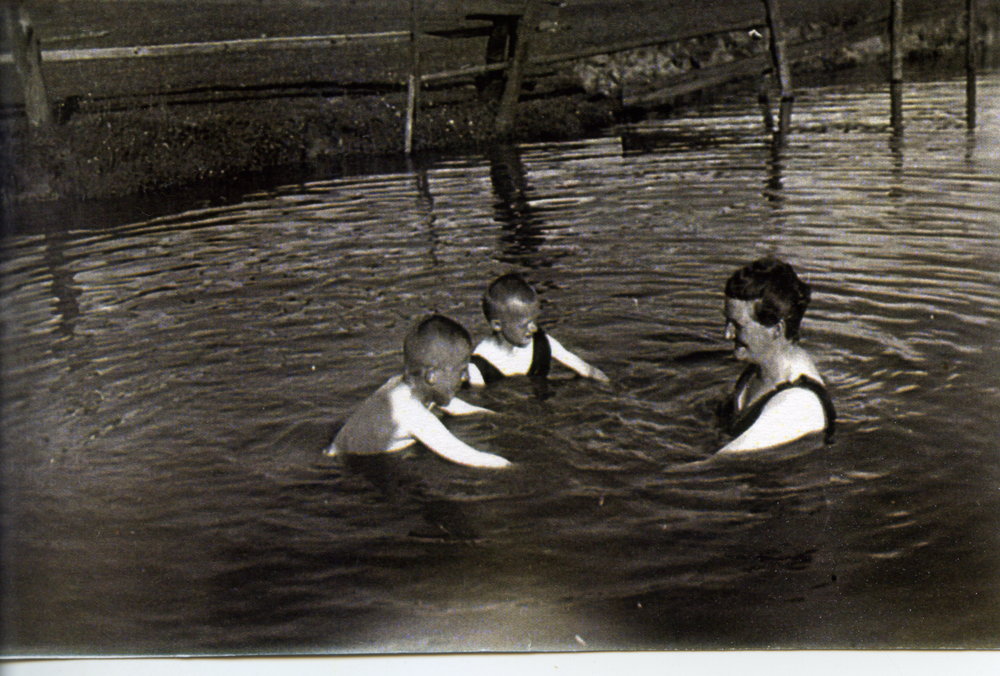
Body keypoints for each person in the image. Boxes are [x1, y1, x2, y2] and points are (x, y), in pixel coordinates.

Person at [326, 314, 510, 468]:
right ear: (432, 376)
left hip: (340, 453)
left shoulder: (401, 384)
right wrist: (514, 466)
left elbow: (454, 405)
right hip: (341, 468)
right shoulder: (410, 413)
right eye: (461, 371)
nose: (465, 378)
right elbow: (467, 456)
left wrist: (495, 415)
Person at [716, 257, 836, 453]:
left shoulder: (797, 404)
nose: (727, 334)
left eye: (738, 326)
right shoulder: (760, 365)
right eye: (727, 322)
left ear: (776, 329)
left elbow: (714, 465)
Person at [467, 273, 610, 386]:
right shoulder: (479, 365)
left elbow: (586, 370)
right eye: (525, 324)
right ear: (497, 325)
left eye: (535, 320)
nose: (534, 328)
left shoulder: (541, 342)